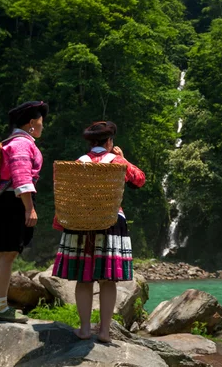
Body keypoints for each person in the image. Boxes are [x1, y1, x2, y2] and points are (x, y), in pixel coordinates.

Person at [51, 121, 146, 343]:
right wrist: (124, 157)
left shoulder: (78, 163)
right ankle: (104, 332)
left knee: (84, 279)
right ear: (110, 141)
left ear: (90, 142)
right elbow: (139, 179)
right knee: (108, 280)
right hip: (110, 222)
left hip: (82, 224)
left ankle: (84, 329)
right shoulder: (118, 161)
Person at [0, 100, 48, 323]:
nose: (43, 126)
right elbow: (22, 176)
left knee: (1, 255)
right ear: (32, 123)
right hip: (15, 202)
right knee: (7, 254)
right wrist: (29, 208)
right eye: (41, 122)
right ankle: (0, 307)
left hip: (6, 201)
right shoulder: (22, 144)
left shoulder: (11, 142)